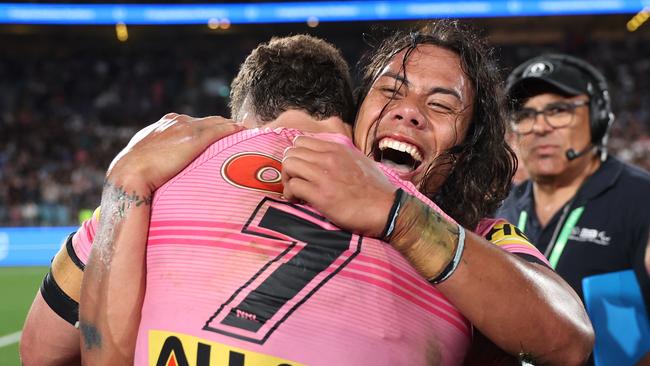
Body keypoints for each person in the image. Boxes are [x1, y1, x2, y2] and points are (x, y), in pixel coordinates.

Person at [23, 25, 591, 365]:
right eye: (391, 90)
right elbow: (44, 349)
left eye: (441, 106)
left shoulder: (474, 243)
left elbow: (569, 339)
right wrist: (124, 185)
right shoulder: (173, 173)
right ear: (355, 113)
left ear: (464, 153)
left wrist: (402, 218)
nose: (409, 110)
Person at [496, 54, 650, 363]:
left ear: (597, 119)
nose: (539, 127)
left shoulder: (642, 198)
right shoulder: (504, 211)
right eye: (524, 115)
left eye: (558, 110)